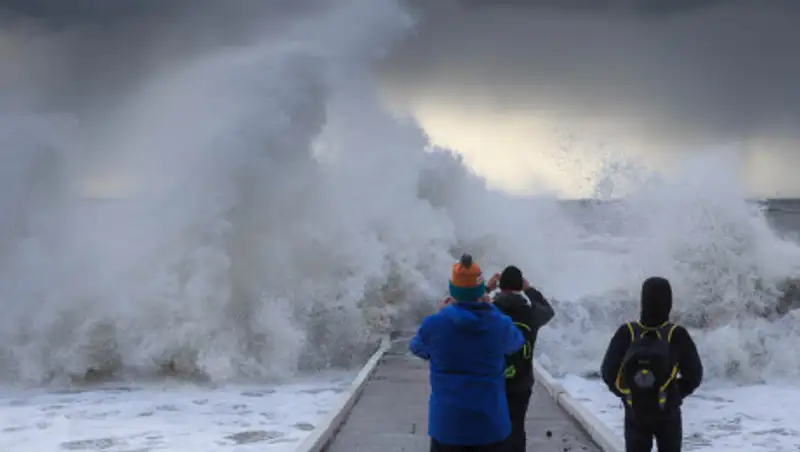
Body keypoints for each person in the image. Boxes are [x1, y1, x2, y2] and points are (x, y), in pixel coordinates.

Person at [410, 254, 524, 452]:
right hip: (490, 427)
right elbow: (516, 342)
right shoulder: (499, 324)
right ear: (480, 291)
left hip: (447, 427)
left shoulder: (436, 324)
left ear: (452, 290)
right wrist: (491, 309)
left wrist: (441, 313)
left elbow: (417, 347)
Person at [600, 276, 703, 452]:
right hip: (667, 413)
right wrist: (674, 394)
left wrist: (628, 394)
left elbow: (607, 372)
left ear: (643, 300)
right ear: (669, 302)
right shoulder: (676, 334)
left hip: (635, 412)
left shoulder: (627, 332)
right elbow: (694, 375)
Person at [485, 265, 555, 452]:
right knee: (516, 427)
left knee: (491, 427)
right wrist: (529, 290)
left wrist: (485, 289)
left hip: (493, 379)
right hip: (522, 381)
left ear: (500, 286)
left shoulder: (491, 311)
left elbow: (468, 309)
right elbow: (549, 311)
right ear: (519, 286)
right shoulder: (531, 313)